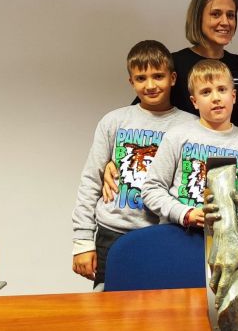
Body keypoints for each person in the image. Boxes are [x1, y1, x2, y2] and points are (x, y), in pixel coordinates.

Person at [71, 40, 197, 289]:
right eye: (141, 78)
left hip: (166, 234)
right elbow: (90, 180)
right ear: (131, 82)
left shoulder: (191, 127)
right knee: (110, 313)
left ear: (172, 78)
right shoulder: (114, 121)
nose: (150, 85)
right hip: (112, 233)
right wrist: (82, 242)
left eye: (158, 76)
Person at [116, 0, 238, 201]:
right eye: (216, 14)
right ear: (198, 18)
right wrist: (113, 163)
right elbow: (140, 117)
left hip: (225, 175)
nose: (225, 22)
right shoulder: (175, 64)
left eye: (231, 15)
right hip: (180, 177)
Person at [141, 59, 238, 230]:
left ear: (234, 96)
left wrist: (237, 214)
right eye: (206, 92)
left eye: (222, 90)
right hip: (178, 233)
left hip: (225, 239)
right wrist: (185, 213)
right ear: (194, 101)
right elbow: (151, 188)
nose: (216, 98)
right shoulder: (177, 136)